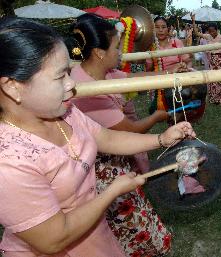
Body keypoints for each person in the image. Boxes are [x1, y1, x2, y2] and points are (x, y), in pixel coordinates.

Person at [0, 17, 196, 256]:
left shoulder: (65, 112)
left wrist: (161, 139)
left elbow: (107, 138)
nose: (72, 84)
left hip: (94, 235)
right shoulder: (8, 162)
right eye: (60, 76)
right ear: (12, 87)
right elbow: (52, 239)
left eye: (69, 72)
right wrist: (112, 192)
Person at [68, 14, 173, 256]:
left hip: (116, 163)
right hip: (102, 174)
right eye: (117, 47)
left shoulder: (101, 73)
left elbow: (133, 79)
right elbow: (128, 131)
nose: (121, 53)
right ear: (99, 53)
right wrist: (158, 118)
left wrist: (171, 75)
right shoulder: (87, 90)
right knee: (131, 232)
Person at [192, 14, 221, 105]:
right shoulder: (208, 36)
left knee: (219, 79)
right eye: (210, 31)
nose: (211, 33)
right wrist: (193, 21)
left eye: (213, 31)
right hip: (211, 59)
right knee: (212, 79)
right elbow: (196, 33)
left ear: (217, 29)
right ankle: (213, 99)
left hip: (219, 60)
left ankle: (220, 100)